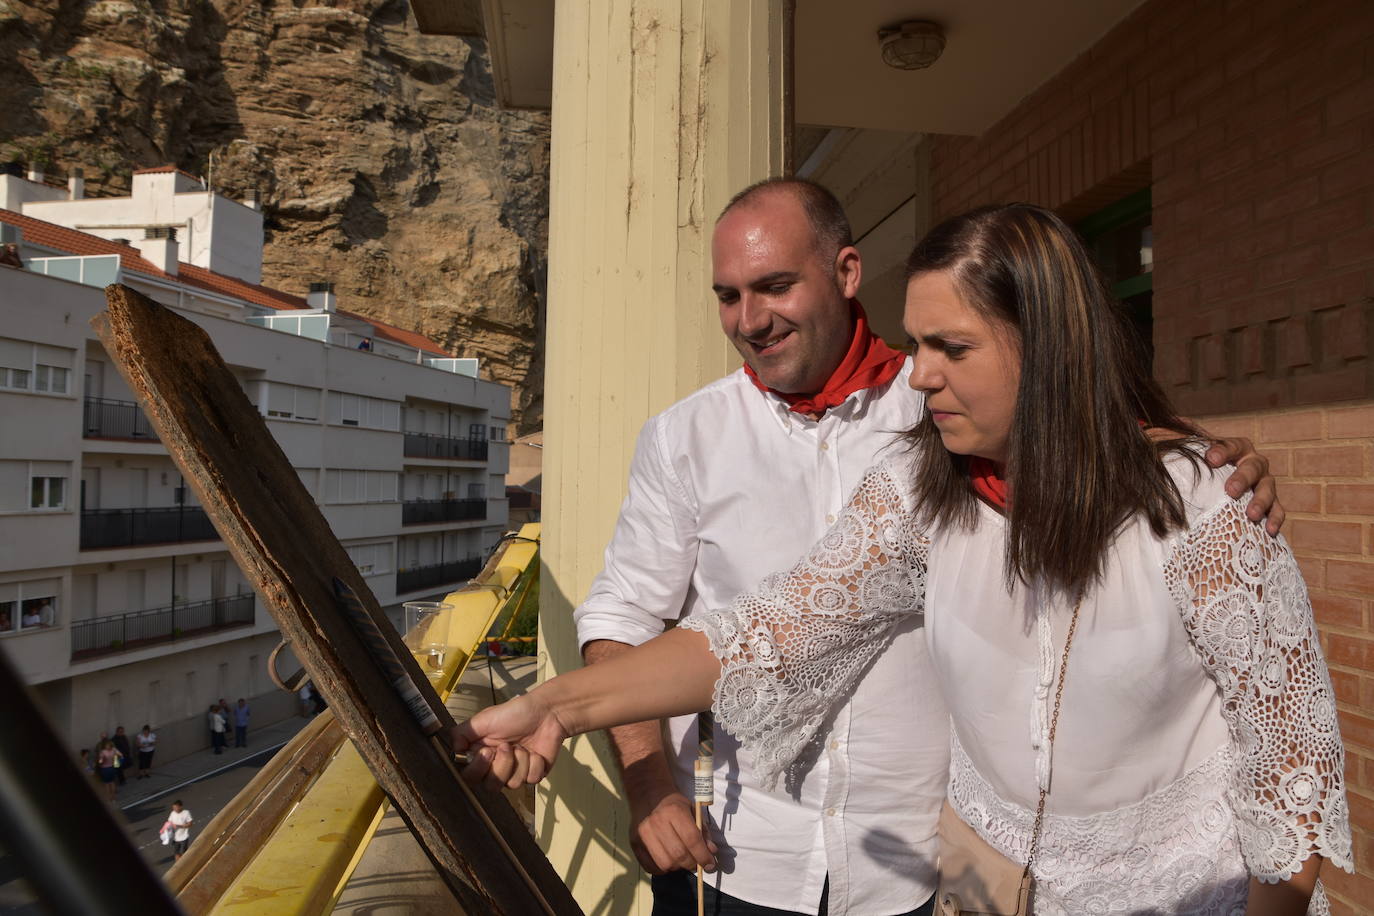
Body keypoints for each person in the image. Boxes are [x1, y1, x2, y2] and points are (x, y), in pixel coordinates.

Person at [455, 203, 1350, 914]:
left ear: (1049, 347)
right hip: (974, 890)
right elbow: (761, 635)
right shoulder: (921, 496)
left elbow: (1289, 781)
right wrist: (553, 708)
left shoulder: (1206, 508)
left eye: (950, 348)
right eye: (917, 345)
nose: (916, 376)